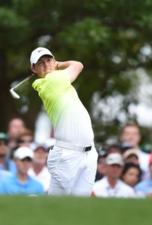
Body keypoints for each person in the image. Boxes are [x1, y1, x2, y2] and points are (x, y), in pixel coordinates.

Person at [31, 47, 98, 196]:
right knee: (56, 208)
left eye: (49, 60)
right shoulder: (50, 82)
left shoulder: (59, 80)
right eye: (41, 63)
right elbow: (78, 65)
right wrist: (58, 64)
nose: (46, 65)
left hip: (89, 154)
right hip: (67, 155)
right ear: (34, 69)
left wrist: (55, 65)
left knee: (79, 210)